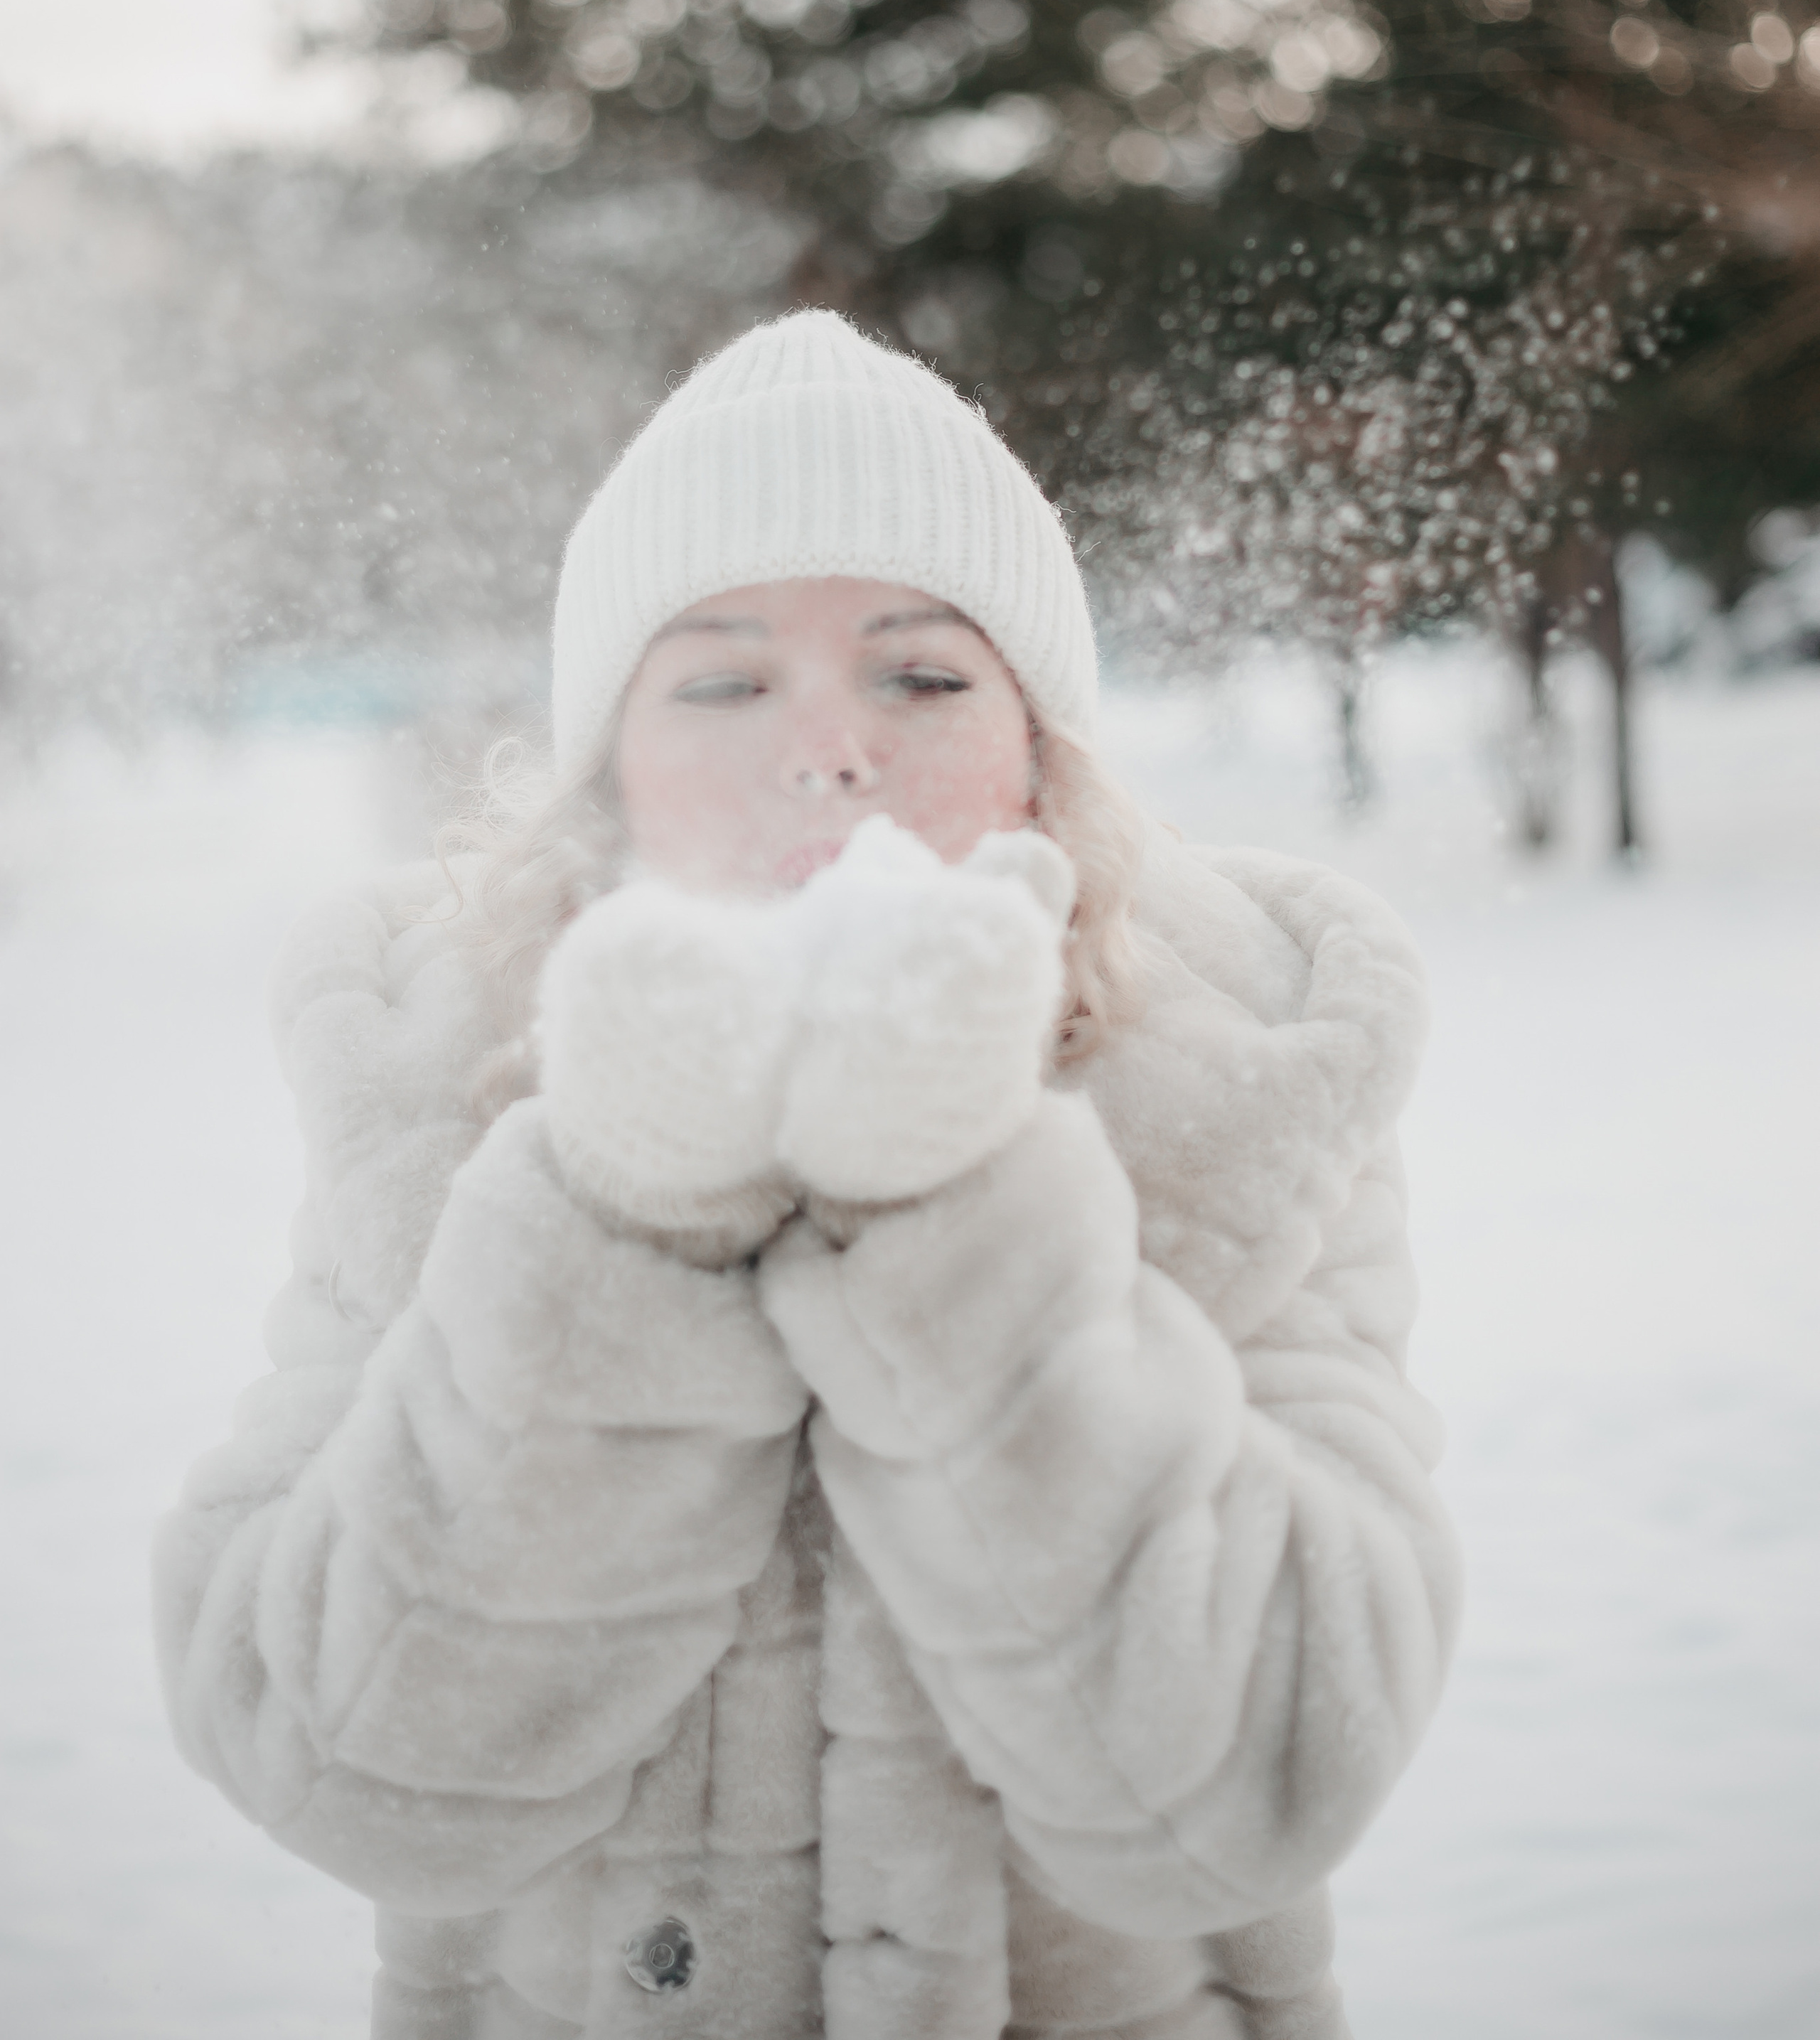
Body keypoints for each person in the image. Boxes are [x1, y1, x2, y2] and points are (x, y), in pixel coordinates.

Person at [154, 308, 1460, 2040]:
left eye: (921, 675)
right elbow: (345, 1768)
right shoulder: (432, 1098)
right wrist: (621, 1213)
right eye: (718, 679)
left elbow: (1258, 1789)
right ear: (607, 768)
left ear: (1038, 749)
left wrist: (956, 1202)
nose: (826, 748)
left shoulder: (1239, 1086)